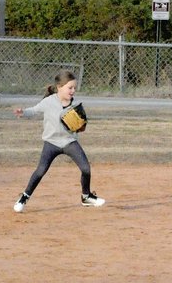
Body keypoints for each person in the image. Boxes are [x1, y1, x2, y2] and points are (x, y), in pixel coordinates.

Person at [12, 70, 105, 212]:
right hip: (51, 143)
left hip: (69, 142)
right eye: (70, 87)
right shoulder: (49, 102)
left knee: (86, 169)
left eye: (74, 88)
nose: (73, 90)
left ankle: (86, 197)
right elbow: (34, 110)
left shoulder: (76, 104)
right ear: (59, 87)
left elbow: (82, 126)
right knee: (40, 171)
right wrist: (22, 112)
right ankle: (24, 197)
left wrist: (81, 126)